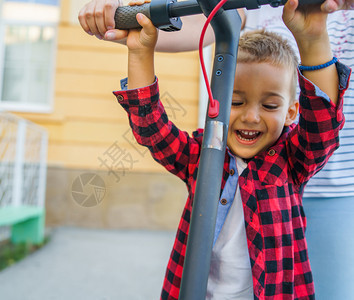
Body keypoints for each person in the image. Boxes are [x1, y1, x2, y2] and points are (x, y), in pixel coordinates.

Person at [79, 0, 354, 298]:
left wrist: (312, 40)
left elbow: (323, 127)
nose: (251, 117)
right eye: (236, 102)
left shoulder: (290, 163)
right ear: (216, 99)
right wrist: (141, 52)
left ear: (290, 113)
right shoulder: (203, 155)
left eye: (270, 105)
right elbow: (152, 131)